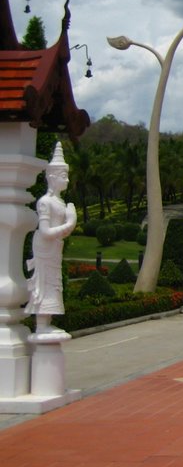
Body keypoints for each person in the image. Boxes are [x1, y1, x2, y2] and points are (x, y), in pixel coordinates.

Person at [25, 143, 77, 335]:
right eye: (64, 177)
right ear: (52, 177)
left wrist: (68, 225)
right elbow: (46, 231)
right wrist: (70, 223)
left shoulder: (60, 202)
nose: (67, 180)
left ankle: (47, 321)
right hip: (45, 246)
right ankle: (41, 324)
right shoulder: (45, 202)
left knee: (54, 283)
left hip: (55, 247)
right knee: (44, 283)